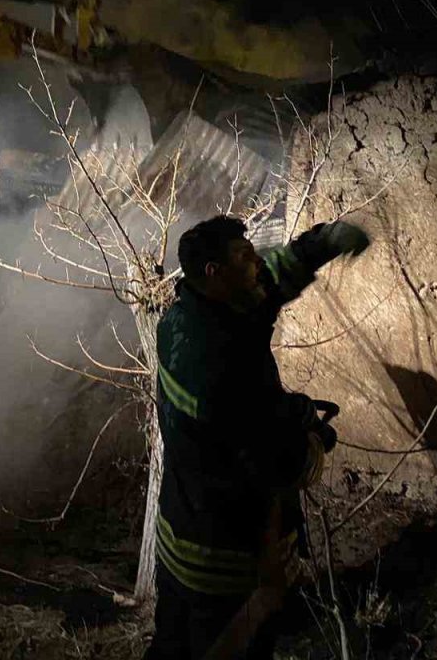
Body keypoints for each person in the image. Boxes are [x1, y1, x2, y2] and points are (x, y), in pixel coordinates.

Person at [147, 215, 370, 660]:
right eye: (244, 256)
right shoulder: (220, 365)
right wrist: (313, 441)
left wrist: (319, 245)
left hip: (179, 535)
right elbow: (281, 464)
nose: (257, 261)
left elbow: (268, 283)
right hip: (227, 562)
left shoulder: (189, 315)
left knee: (171, 648)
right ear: (215, 271)